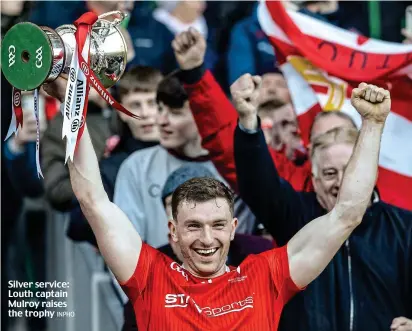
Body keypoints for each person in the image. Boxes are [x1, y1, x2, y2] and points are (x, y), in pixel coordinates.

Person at [45, 74, 391, 330]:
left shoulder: (265, 276)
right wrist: (71, 99)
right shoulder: (150, 275)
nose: (207, 239)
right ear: (173, 230)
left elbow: (348, 212)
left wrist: (373, 124)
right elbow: (93, 200)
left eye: (217, 225)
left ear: (233, 228)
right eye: (193, 226)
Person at [231, 74, 412, 331]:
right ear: (314, 178)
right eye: (329, 173)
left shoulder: (404, 228)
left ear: (372, 173)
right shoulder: (294, 216)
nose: (341, 182)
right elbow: (257, 183)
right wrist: (249, 123)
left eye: (350, 171)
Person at [172, 28, 409, 209]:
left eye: (346, 140)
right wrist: (196, 74)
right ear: (309, 153)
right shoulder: (294, 197)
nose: (340, 180)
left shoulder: (399, 216)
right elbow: (232, 149)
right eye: (323, 141)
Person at [114, 74, 255, 249]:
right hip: (156, 275)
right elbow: (124, 246)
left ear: (204, 116)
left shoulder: (239, 165)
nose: (161, 121)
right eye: (159, 109)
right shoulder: (137, 166)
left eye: (175, 113)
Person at [67, 65, 162, 246]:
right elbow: (78, 224)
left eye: (152, 103)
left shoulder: (185, 153)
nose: (145, 113)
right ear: (121, 112)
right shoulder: (110, 167)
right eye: (135, 105)